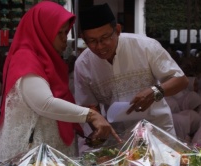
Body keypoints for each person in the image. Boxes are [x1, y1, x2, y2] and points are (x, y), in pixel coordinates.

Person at [0, 1, 120, 162]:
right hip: (32, 153)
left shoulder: (48, 60)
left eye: (65, 33)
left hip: (49, 148)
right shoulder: (25, 57)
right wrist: (91, 116)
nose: (64, 39)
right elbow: (44, 103)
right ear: (43, 31)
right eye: (59, 33)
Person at [75, 3, 188, 136]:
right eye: (92, 41)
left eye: (105, 38)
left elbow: (181, 80)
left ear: (117, 30)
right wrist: (97, 128)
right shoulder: (83, 64)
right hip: (119, 138)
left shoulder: (145, 46)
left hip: (158, 132)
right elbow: (89, 107)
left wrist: (155, 91)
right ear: (83, 38)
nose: (99, 46)